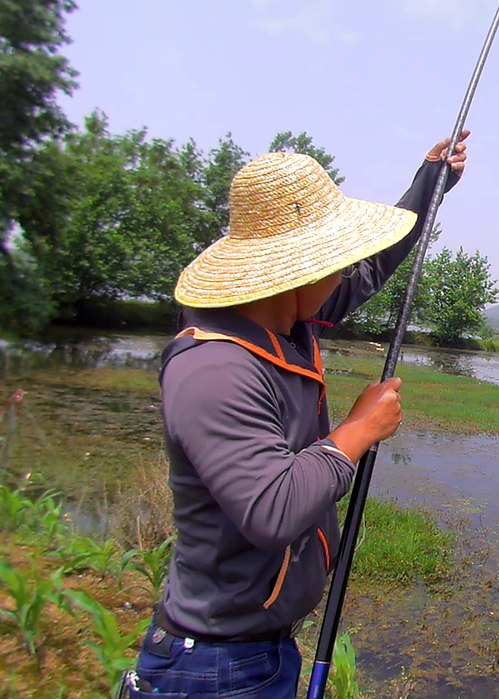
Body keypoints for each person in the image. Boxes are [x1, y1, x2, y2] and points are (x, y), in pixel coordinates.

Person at [126, 132, 470, 698]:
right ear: (296, 271)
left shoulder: (284, 316)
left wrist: (429, 186)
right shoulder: (214, 367)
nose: (343, 273)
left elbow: (371, 269)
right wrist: (358, 431)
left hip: (257, 652)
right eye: (332, 261)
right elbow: (272, 509)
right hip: (214, 669)